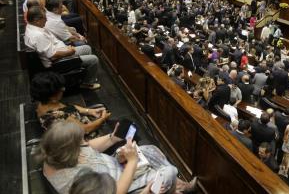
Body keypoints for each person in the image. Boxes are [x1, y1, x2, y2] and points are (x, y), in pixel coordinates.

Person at [42, 121, 197, 194]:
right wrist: (132, 162)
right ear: (71, 150)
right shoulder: (78, 182)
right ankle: (177, 188)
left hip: (116, 165)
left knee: (150, 149)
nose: (86, 143)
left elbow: (89, 146)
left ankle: (177, 185)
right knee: (169, 171)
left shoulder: (56, 152)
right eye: (82, 141)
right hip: (121, 184)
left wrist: (113, 137)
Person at [24, 6, 101, 90]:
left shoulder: (33, 27)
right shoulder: (38, 35)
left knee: (87, 48)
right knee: (94, 59)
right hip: (57, 63)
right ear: (36, 20)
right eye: (44, 18)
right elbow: (52, 56)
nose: (46, 20)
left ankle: (85, 76)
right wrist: (69, 52)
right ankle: (87, 83)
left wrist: (66, 48)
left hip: (61, 51)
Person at [31, 72, 109, 136]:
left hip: (78, 122)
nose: (64, 89)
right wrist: (102, 119)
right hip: (82, 141)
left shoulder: (45, 102)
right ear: (52, 97)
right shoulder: (58, 116)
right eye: (60, 89)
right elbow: (85, 130)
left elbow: (70, 107)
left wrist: (89, 111)